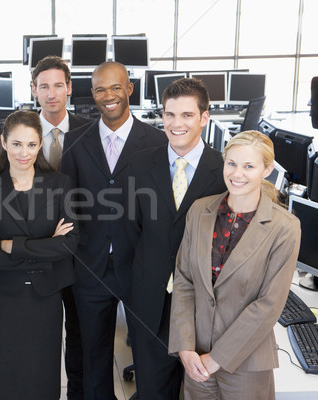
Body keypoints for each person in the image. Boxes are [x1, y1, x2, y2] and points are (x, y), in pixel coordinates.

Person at [61, 61, 166, 399]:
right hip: (90, 267)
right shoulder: (74, 141)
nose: (109, 96)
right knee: (94, 360)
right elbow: (68, 203)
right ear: (92, 95)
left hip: (141, 267)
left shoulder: (157, 141)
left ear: (129, 89)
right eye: (100, 89)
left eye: (115, 87)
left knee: (151, 360)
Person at [169, 130, 301, 399]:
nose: (237, 174)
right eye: (232, 164)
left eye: (249, 166)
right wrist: (184, 345)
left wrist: (217, 359)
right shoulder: (199, 211)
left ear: (267, 169)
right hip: (196, 357)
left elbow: (268, 304)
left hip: (247, 362)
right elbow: (184, 280)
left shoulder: (285, 227)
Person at [126, 77, 227, 399]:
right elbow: (130, 229)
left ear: (204, 118)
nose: (176, 123)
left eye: (186, 115)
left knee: (201, 390)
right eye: (170, 115)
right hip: (149, 298)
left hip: (204, 305)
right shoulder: (141, 163)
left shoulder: (225, 170)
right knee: (153, 390)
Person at [0, 110, 78, 400]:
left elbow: (69, 244)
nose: (24, 152)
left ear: (40, 145)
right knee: (4, 375)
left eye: (31, 145)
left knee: (42, 376)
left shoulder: (60, 186)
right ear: (3, 143)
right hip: (4, 298)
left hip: (46, 296)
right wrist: (47, 244)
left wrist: (13, 245)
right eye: (17, 144)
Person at [31, 55, 91, 399]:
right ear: (35, 90)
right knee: (42, 335)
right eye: (44, 86)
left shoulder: (89, 130)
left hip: (82, 252)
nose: (51, 93)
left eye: (58, 85)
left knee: (82, 335)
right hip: (38, 251)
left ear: (69, 88)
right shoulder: (21, 129)